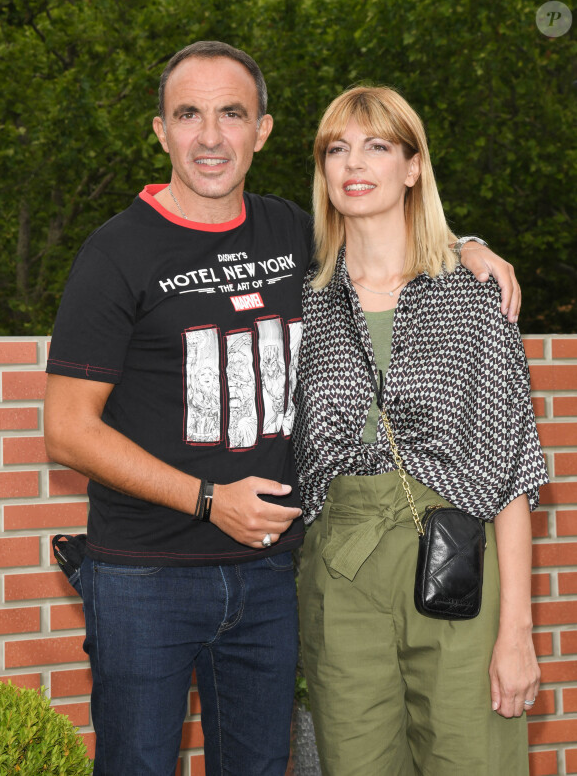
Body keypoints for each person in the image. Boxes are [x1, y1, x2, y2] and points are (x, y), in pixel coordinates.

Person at [43, 40, 522, 776]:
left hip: (272, 577)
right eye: (188, 115)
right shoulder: (116, 252)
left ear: (261, 130)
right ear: (160, 130)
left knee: (264, 765)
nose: (210, 136)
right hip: (147, 576)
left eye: (231, 114)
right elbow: (67, 428)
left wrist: (470, 246)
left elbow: (383, 235)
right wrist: (207, 500)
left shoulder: (290, 237)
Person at [293, 86, 549, 776]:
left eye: (378, 145)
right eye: (337, 148)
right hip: (341, 575)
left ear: (412, 167)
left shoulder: (473, 295)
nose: (355, 162)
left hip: (456, 567)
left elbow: (513, 475)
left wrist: (517, 633)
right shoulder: (303, 300)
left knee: (475, 763)